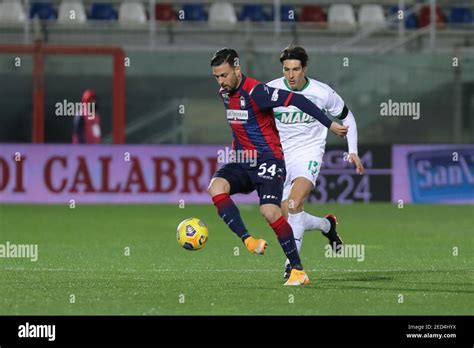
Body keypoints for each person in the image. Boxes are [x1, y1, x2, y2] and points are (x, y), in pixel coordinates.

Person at [207, 48, 348, 286]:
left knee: (271, 212)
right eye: (216, 77)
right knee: (215, 187)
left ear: (237, 69)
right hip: (244, 160)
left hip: (268, 160)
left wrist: (330, 124)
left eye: (224, 75)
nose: (220, 81)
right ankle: (248, 240)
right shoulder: (225, 92)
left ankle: (297, 270)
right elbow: (240, 125)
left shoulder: (257, 91)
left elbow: (298, 99)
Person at [266, 45, 365, 278]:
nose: (291, 75)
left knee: (293, 204)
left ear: (305, 68)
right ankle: (327, 226)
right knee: (289, 216)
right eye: (286, 69)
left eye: (296, 69)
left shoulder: (322, 92)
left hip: (308, 154)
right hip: (280, 157)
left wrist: (353, 150)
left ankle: (293, 267)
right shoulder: (271, 90)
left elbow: (346, 116)